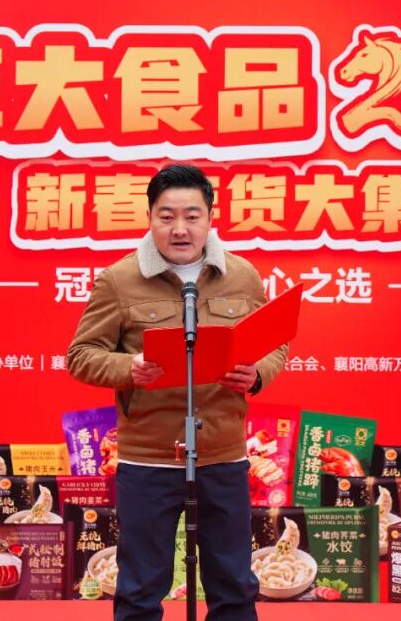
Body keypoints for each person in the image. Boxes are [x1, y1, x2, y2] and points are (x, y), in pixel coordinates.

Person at [67, 164, 288, 621]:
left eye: (192, 215)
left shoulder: (242, 276)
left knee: (234, 583)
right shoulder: (119, 280)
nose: (180, 229)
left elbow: (274, 341)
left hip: (223, 453)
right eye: (166, 216)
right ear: (150, 217)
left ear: (210, 218)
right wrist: (129, 367)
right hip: (148, 457)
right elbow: (81, 355)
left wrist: (258, 373)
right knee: (140, 586)